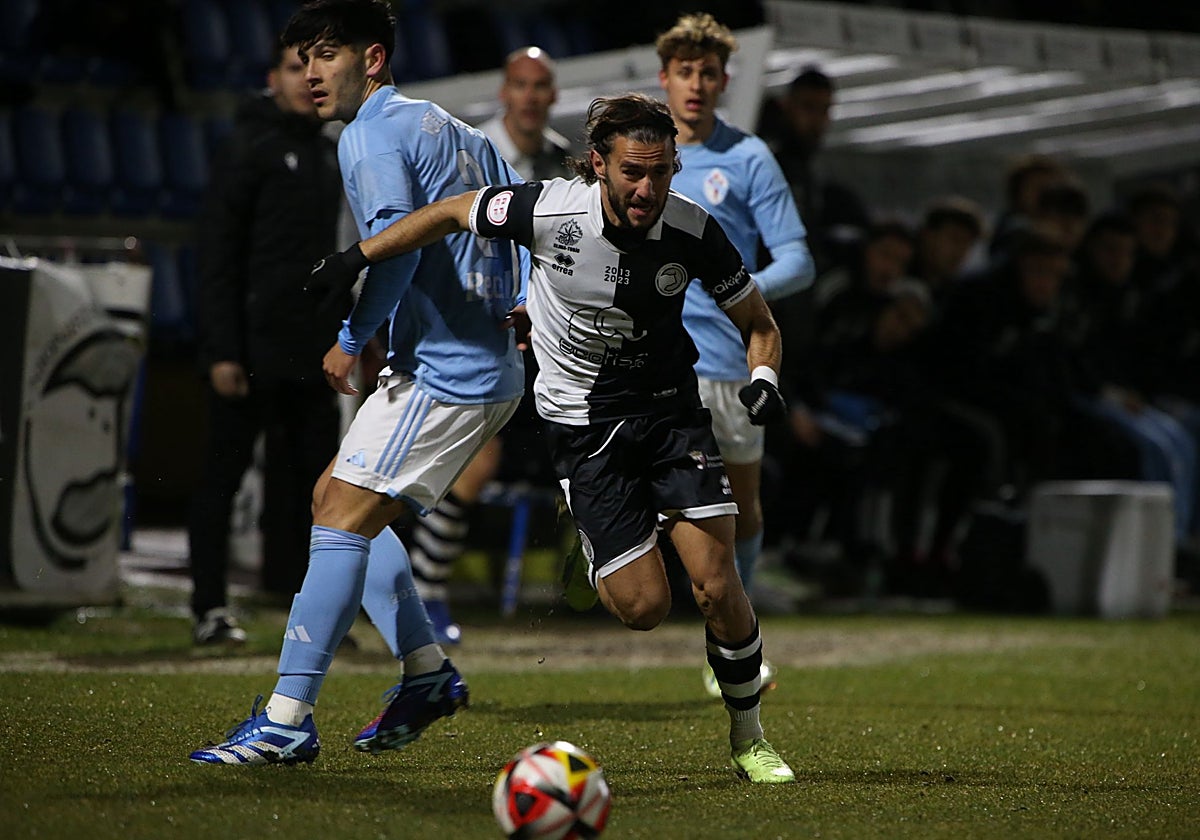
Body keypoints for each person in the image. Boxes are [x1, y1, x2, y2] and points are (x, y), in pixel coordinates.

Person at [308, 93, 797, 784]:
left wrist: (766, 378)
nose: (647, 188)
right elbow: (452, 211)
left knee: (717, 585)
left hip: (669, 418)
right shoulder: (546, 208)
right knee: (643, 609)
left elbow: (759, 322)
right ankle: (602, 545)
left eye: (659, 173)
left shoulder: (693, 230)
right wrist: (357, 256)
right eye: (632, 172)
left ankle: (749, 738)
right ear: (598, 165)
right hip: (583, 429)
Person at [189, 0, 525, 765]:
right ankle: (427, 671)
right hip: (482, 362)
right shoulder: (449, 125)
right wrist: (521, 304)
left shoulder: (371, 136)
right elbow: (518, 215)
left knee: (340, 514)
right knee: (334, 502)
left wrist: (349, 338)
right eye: (303, 57)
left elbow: (391, 252)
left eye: (326, 54)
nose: (311, 72)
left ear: (371, 59)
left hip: (450, 370)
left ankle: (286, 716)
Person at [654, 12, 813, 696]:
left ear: (724, 82)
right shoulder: (643, 156)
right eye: (684, 72)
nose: (696, 84)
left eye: (708, 73)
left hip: (726, 366)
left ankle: (730, 652)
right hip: (652, 362)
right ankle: (595, 530)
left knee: (739, 513)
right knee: (652, 494)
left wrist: (736, 292)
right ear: (664, 79)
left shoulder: (748, 158)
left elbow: (800, 260)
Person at [403, 44, 576, 645]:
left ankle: (597, 587)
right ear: (505, 92)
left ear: (552, 95)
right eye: (520, 85)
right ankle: (422, 589)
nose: (529, 97)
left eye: (540, 86)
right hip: (480, 325)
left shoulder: (562, 159)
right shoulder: (473, 153)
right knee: (474, 463)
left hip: (552, 335)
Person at [188, 41, 346, 646]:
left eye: (317, 66)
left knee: (317, 486)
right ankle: (208, 606)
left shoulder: (331, 155)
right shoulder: (246, 150)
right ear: (270, 79)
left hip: (309, 352)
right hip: (250, 350)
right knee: (221, 478)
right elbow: (219, 256)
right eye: (293, 67)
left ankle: (302, 609)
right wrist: (222, 350)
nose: (308, 79)